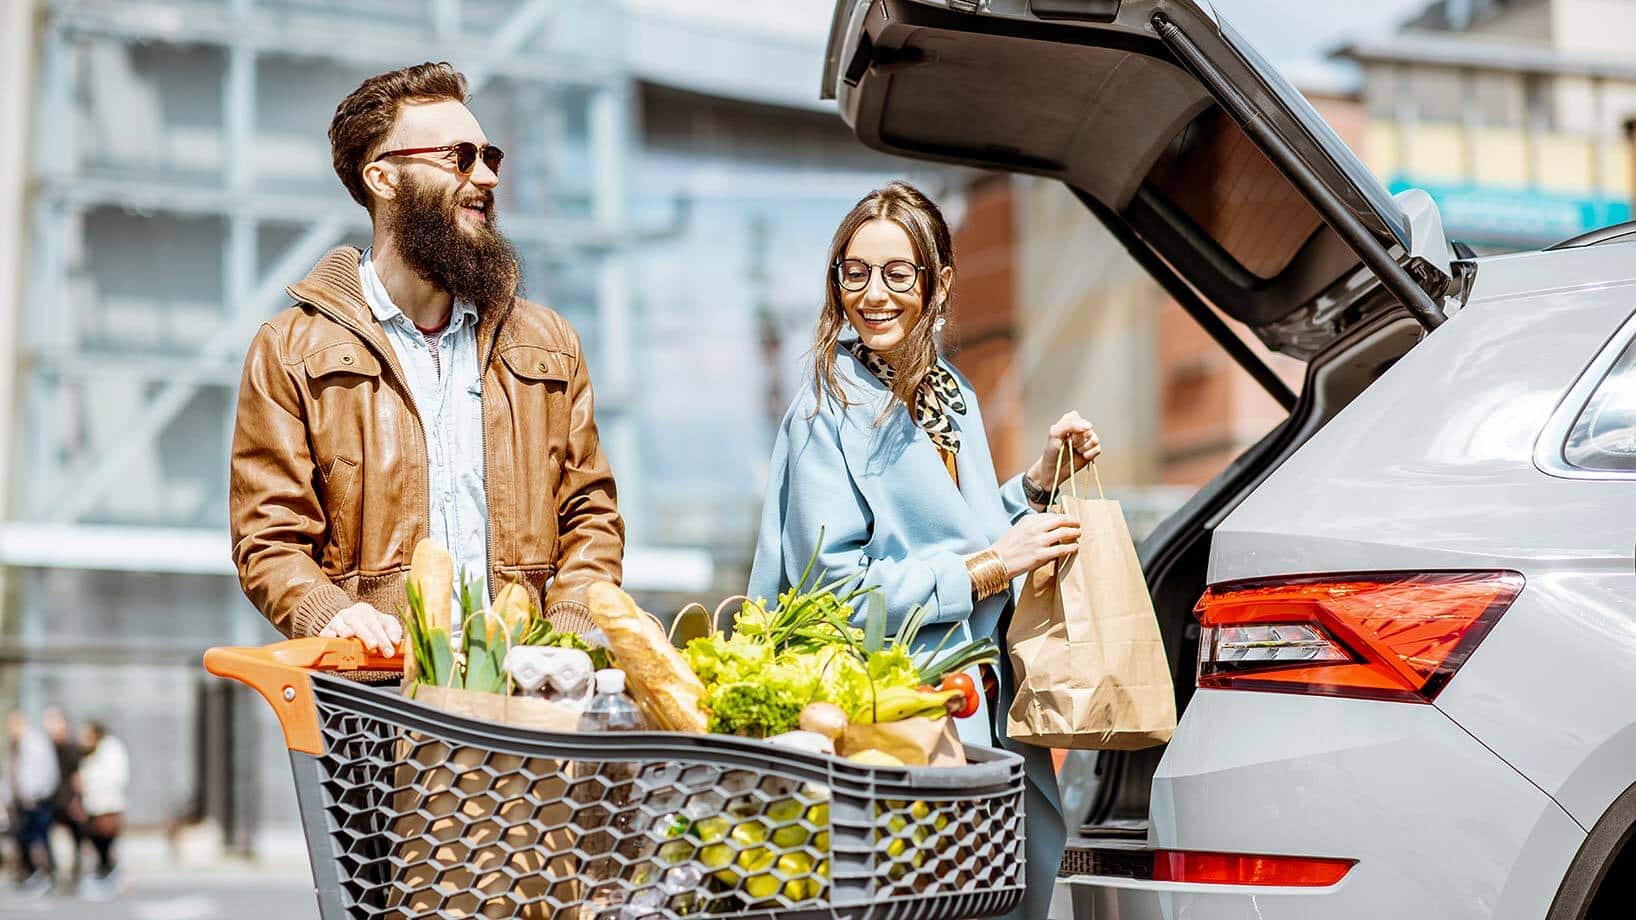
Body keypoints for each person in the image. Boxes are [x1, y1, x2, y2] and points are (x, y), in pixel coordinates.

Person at [748, 181, 1102, 920]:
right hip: (891, 726)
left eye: (897, 273)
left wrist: (1034, 485)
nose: (873, 294)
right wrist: (991, 568)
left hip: (980, 709)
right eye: (855, 272)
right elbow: (831, 599)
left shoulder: (952, 396)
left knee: (1011, 886)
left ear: (937, 283)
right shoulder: (825, 410)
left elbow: (957, 533)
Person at [230, 62, 624, 652]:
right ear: (383, 178)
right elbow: (270, 537)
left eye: (490, 157)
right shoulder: (289, 349)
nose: (486, 177)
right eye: (459, 157)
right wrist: (329, 613)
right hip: (373, 702)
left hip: (529, 697)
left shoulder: (549, 344)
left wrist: (565, 634)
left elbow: (590, 517)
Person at [6, 712, 59, 896]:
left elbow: (46, 771)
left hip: (36, 800)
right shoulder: (16, 745)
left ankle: (47, 876)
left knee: (40, 838)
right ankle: (33, 874)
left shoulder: (35, 743)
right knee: (24, 839)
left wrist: (37, 794)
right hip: (22, 800)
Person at [74, 722, 128, 900]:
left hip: (108, 805)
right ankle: (106, 874)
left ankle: (111, 876)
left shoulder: (110, 749)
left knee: (107, 840)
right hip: (93, 805)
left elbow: (116, 777)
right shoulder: (86, 753)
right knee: (97, 841)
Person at [42, 706, 84, 886]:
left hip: (68, 800)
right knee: (48, 838)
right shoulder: (46, 748)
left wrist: (77, 800)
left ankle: (76, 876)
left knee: (76, 839)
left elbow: (77, 776)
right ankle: (54, 874)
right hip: (51, 799)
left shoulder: (72, 747)